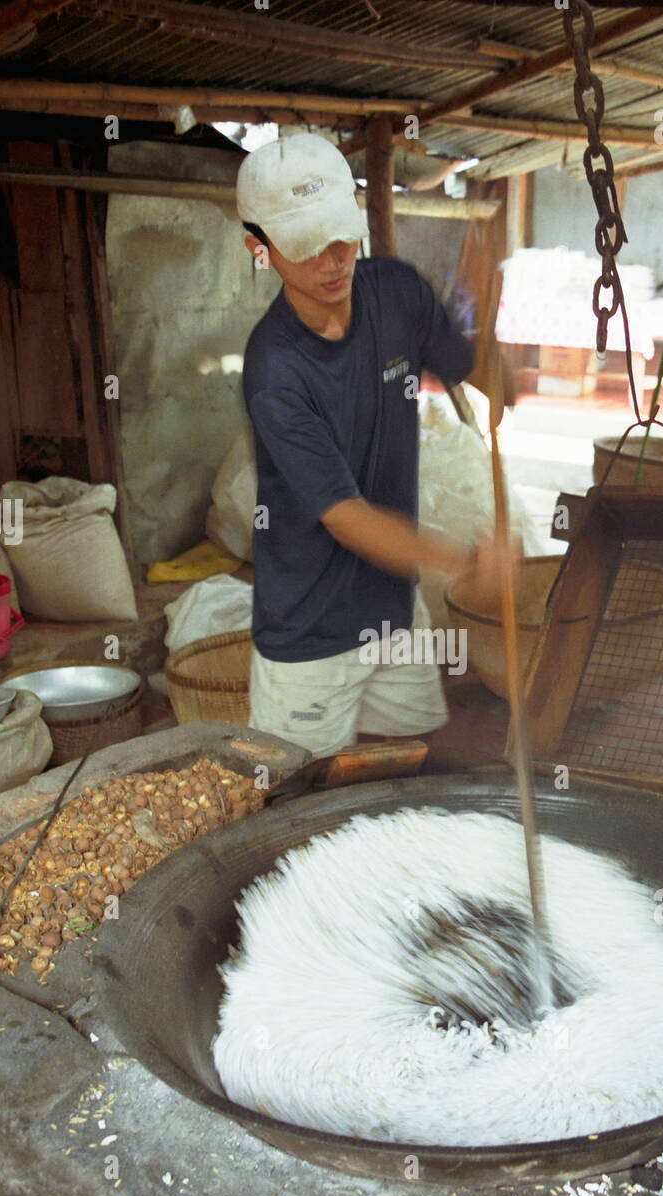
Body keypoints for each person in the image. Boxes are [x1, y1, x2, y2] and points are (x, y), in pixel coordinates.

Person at [236, 131, 509, 758]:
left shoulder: (397, 292)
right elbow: (348, 518)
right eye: (306, 246)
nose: (333, 260)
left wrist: (500, 368)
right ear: (261, 250)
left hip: (393, 606)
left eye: (341, 233)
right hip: (308, 635)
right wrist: (468, 564)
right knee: (300, 799)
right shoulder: (274, 367)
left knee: (404, 759)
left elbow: (469, 364)